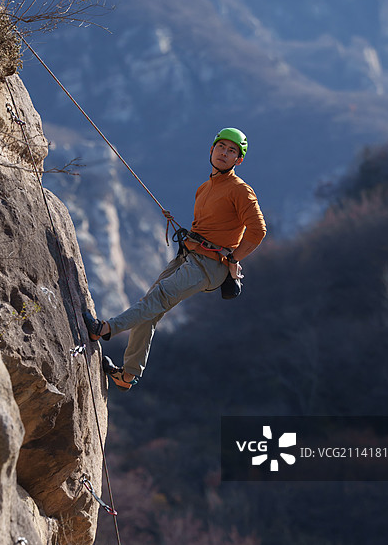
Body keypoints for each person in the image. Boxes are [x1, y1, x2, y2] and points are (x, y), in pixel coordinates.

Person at [83, 128, 267, 389]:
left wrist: (234, 257)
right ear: (211, 149)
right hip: (190, 256)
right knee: (150, 307)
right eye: (221, 147)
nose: (224, 153)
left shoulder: (240, 190)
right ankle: (127, 376)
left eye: (232, 151)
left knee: (156, 298)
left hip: (210, 266)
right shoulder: (205, 188)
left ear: (239, 160)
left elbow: (258, 231)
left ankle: (104, 329)